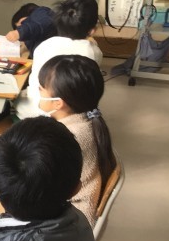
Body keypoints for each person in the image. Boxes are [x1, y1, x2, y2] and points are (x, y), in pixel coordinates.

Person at [37, 55, 116, 227]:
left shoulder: (68, 138)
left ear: (58, 103)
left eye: (41, 89)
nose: (38, 92)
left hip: (67, 221)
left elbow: (34, 181)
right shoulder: (84, 123)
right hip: (73, 211)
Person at [13, 0, 103, 121]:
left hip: (29, 112)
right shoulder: (93, 52)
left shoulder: (45, 45)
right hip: (64, 118)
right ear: (92, 30)